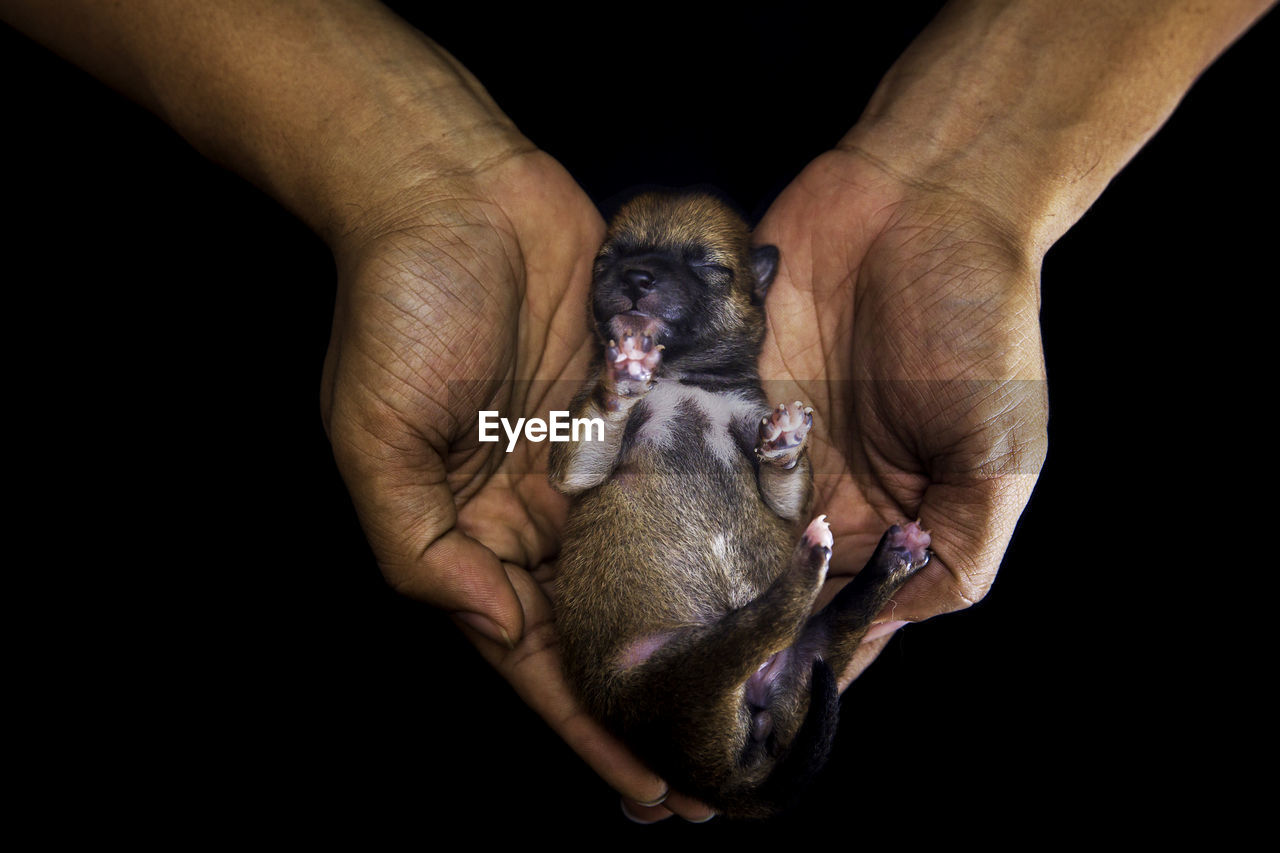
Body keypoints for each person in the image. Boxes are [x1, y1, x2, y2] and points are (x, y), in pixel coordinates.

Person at [1, 0, 1268, 825]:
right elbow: (559, 448)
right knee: (767, 665)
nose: (637, 285)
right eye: (623, 271)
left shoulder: (731, 403)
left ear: (756, 293)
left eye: (682, 277)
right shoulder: (638, 402)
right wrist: (396, 177)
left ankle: (795, 630)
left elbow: (734, 478)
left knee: (777, 670)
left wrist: (967, 184)